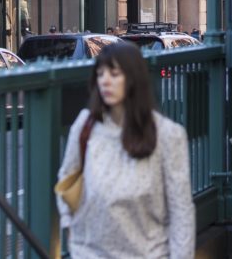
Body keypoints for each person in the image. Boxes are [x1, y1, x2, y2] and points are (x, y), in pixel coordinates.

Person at [56, 42, 195, 258]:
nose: (105, 81)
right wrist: (70, 228)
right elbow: (67, 175)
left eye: (114, 73)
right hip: (89, 252)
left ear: (133, 79)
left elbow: (181, 212)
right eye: (100, 74)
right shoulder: (86, 126)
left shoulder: (168, 136)